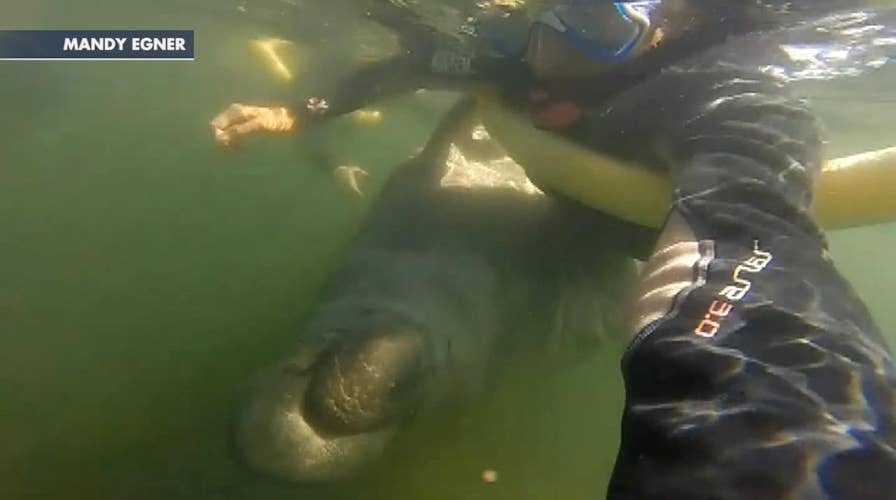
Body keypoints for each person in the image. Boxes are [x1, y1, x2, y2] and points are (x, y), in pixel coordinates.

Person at [212, 1, 896, 497]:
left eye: (597, 23)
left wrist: (775, 431)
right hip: (510, 199)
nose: (548, 54)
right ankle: (412, 328)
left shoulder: (722, 94)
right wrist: (299, 110)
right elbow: (414, 60)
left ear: (669, 24)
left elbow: (748, 231)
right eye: (545, 13)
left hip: (604, 242)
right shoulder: (520, 46)